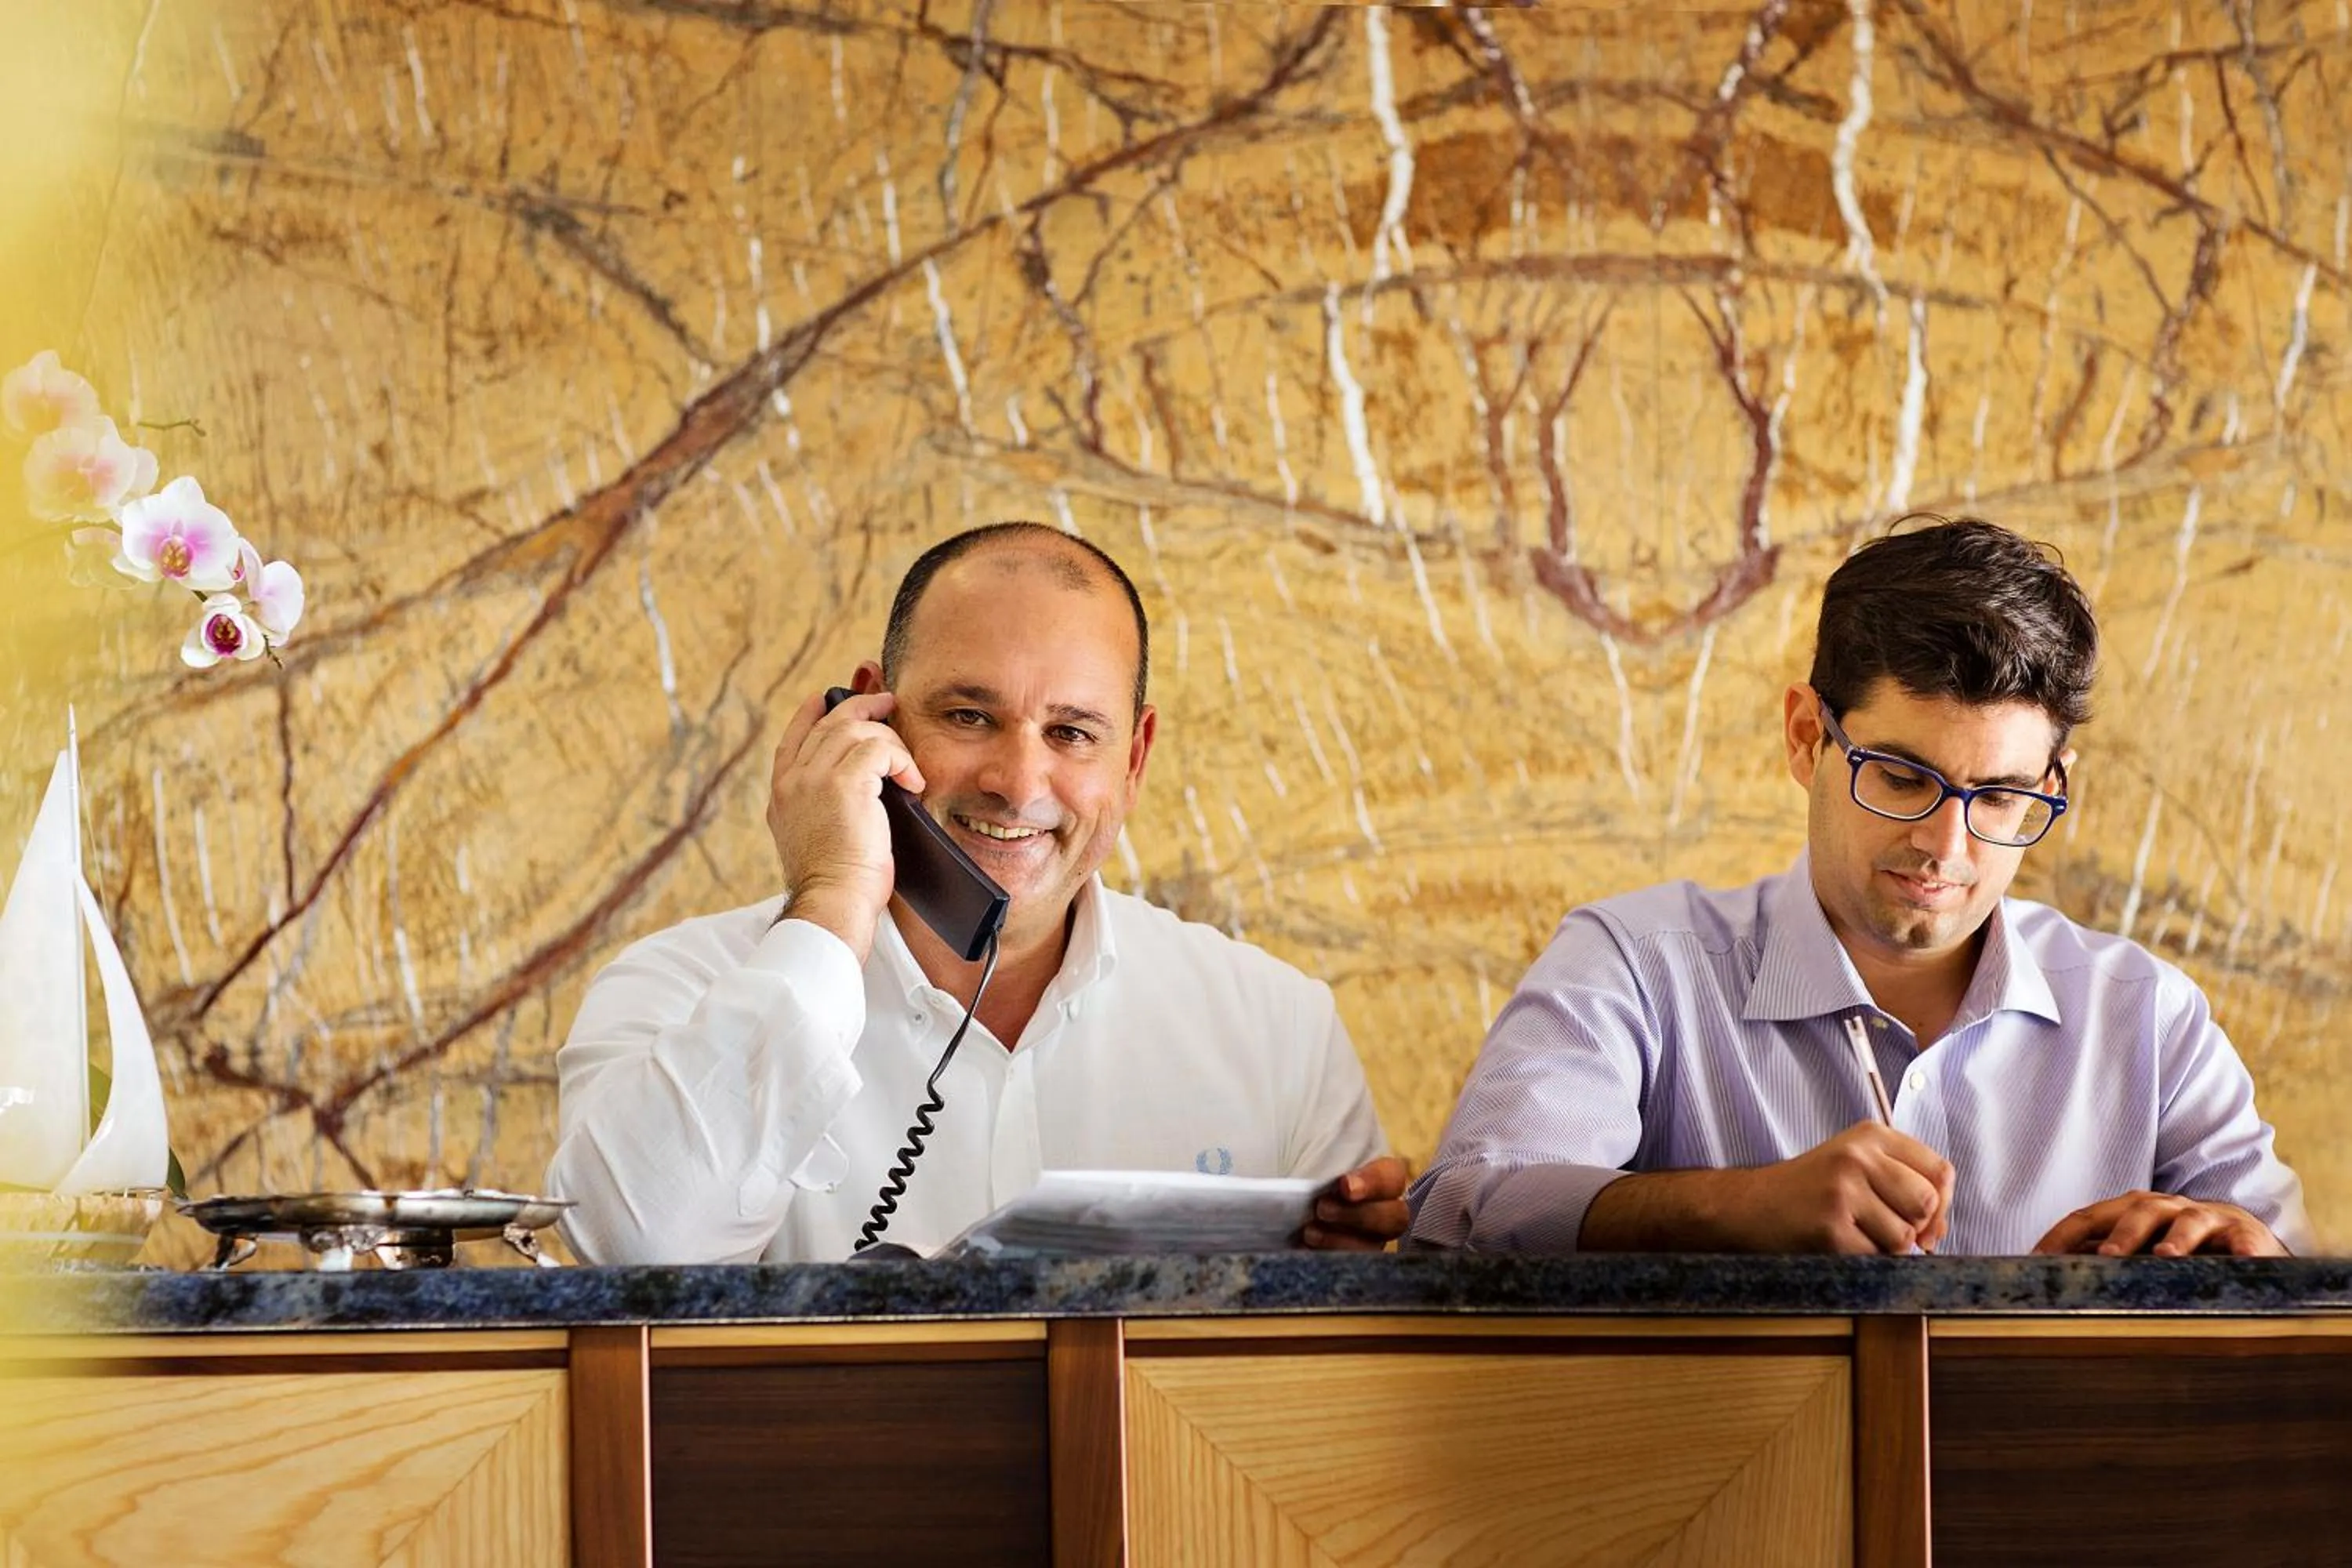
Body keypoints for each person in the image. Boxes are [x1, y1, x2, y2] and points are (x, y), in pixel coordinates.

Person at [1410, 516, 2310, 1258]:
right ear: (1807, 736)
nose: (1944, 845)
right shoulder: (1640, 966)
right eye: (1901, 775)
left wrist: (2253, 1265)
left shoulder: (2149, 1017)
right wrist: (1739, 1209)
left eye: (1999, 795)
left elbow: (2306, 1296)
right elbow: (1461, 1207)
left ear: (2053, 782)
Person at [550, 521, 1406, 1263]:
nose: (1017, 780)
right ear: (871, 718)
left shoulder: (1282, 1032)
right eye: (969, 716)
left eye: (1071, 733)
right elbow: (638, 1257)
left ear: (1135, 758)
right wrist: (834, 893)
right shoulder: (671, 988)